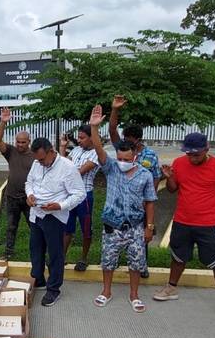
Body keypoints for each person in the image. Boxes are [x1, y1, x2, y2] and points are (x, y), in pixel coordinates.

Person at [154, 132, 215, 325]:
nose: (192, 158)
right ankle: (171, 287)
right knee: (178, 257)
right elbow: (173, 189)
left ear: (206, 149)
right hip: (182, 220)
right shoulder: (179, 163)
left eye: (196, 154)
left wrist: (208, 204)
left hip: (209, 223)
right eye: (189, 154)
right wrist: (169, 177)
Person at [88, 105, 156, 311]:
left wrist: (149, 227)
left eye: (126, 159)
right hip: (112, 225)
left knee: (136, 262)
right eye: (119, 158)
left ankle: (134, 295)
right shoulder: (111, 169)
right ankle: (106, 291)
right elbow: (99, 149)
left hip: (135, 226)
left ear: (135, 155)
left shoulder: (145, 175)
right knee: (108, 261)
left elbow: (151, 200)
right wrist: (94, 128)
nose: (123, 162)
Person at [25, 138, 86, 307]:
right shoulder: (37, 163)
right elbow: (29, 182)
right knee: (35, 249)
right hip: (36, 213)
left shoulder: (68, 167)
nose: (40, 163)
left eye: (42, 159)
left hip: (54, 216)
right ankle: (38, 278)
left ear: (51, 151)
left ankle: (53, 289)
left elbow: (80, 194)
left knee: (55, 254)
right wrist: (29, 194)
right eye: (37, 160)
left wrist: (60, 205)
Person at [108, 95, 161, 278]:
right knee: (118, 236)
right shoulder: (122, 150)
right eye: (125, 138)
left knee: (144, 235)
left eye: (130, 139)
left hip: (142, 203)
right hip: (120, 205)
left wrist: (148, 202)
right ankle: (115, 263)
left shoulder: (150, 155)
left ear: (138, 140)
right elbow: (112, 129)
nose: (127, 142)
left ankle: (141, 265)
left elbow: (155, 178)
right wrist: (115, 109)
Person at [0, 107, 33, 261]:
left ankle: (39, 251)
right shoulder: (11, 151)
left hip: (29, 198)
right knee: (11, 227)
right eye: (18, 141)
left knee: (34, 227)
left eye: (23, 142)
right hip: (12, 197)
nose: (20, 145)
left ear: (29, 142)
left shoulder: (35, 155)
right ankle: (9, 252)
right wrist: (3, 123)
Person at [60, 125, 99, 272]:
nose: (79, 140)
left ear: (91, 138)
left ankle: (83, 258)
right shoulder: (76, 150)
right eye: (78, 137)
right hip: (70, 195)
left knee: (86, 228)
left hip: (85, 195)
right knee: (67, 227)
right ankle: (62, 256)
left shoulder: (96, 154)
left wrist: (67, 169)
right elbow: (61, 165)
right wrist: (63, 148)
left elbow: (79, 172)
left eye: (82, 137)